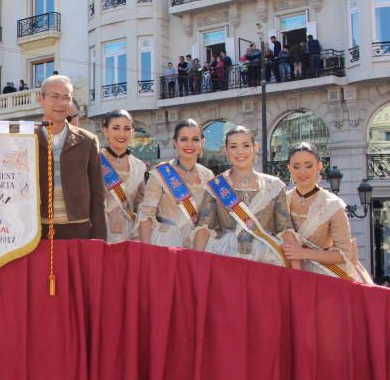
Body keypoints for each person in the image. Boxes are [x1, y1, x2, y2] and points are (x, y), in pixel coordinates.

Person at [192, 126, 297, 266]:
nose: (240, 151)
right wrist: (196, 267)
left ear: (255, 147)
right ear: (226, 151)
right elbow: (204, 229)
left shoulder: (274, 186)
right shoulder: (216, 186)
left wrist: (297, 272)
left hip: (265, 260)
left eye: (246, 145)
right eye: (234, 146)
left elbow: (285, 230)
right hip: (226, 257)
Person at [282, 142, 373, 283]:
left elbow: (344, 254)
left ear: (319, 166)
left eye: (308, 165)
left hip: (324, 275)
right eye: (296, 166)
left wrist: (302, 253)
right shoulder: (282, 200)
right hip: (287, 272)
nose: (302, 172)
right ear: (289, 168)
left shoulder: (332, 204)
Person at [36, 75, 106, 239]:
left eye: (66, 97)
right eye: (54, 96)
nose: (61, 103)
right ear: (41, 99)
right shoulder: (26, 140)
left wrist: (99, 237)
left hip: (78, 229)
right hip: (38, 231)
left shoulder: (87, 141)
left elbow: (97, 194)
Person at [138, 120, 215, 248]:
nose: (189, 144)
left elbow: (207, 220)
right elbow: (146, 214)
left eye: (195, 139)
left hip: (198, 244)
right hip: (166, 243)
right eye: (184, 139)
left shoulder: (208, 176)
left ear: (202, 142)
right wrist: (147, 252)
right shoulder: (161, 173)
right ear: (175, 142)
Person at [99, 110, 146, 244]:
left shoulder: (139, 166)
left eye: (127, 129)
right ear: (105, 130)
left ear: (133, 132)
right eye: (115, 128)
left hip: (129, 232)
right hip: (101, 229)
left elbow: (140, 201)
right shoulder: (94, 160)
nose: (121, 134)